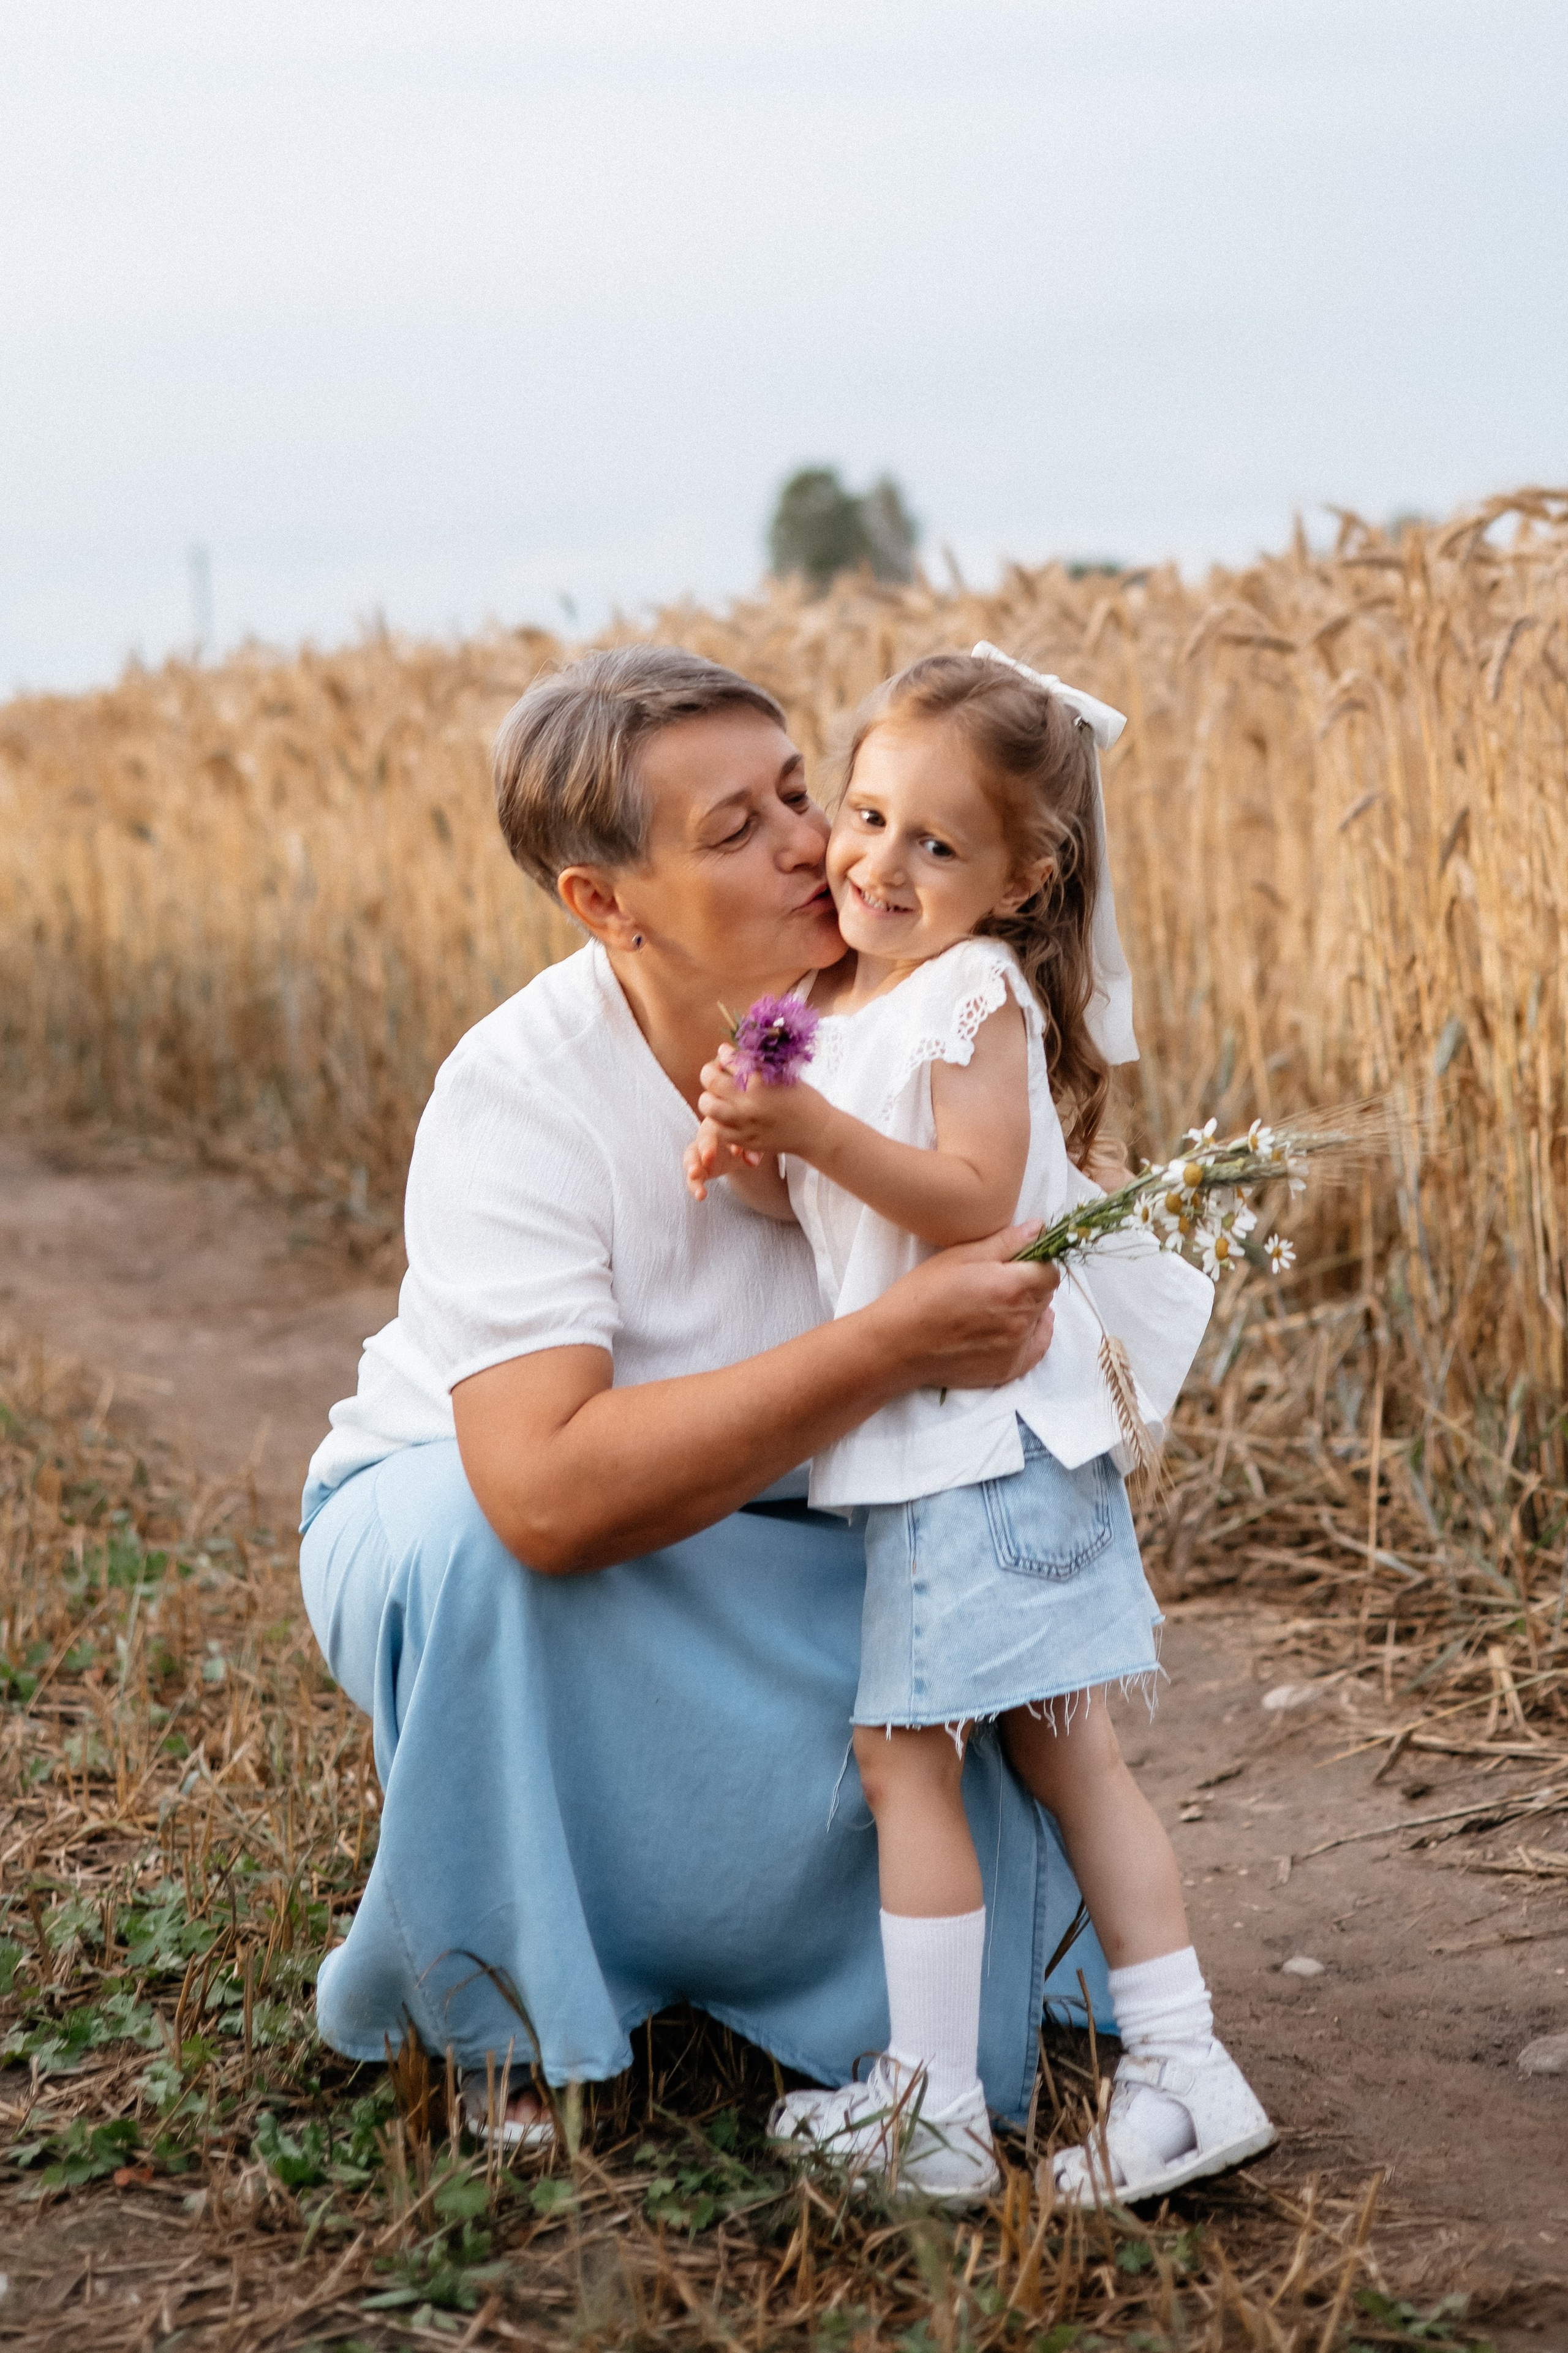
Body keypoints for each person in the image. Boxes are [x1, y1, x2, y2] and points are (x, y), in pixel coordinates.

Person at [298, 645, 1094, 2160]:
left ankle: (888, 2023)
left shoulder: (919, 1021)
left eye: (799, 791)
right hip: (478, 1525)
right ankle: (501, 2014)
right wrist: (891, 1344)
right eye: (736, 828)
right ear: (606, 902)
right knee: (479, 1550)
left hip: (795, 1525)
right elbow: (543, 1494)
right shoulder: (517, 1089)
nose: (812, 843)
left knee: (945, 1629)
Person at [685, 646, 1275, 2204]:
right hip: (949, 1447)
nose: (879, 862)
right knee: (1052, 1751)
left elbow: (969, 1201)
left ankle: (949, 2105)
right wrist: (753, 1150)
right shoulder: (832, 1001)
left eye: (936, 844)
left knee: (919, 1759)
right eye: (867, 814)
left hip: (983, 1448)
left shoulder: (970, 992)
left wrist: (809, 1126)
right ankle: (1156, 2068)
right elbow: (833, 1205)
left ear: (1018, 881)